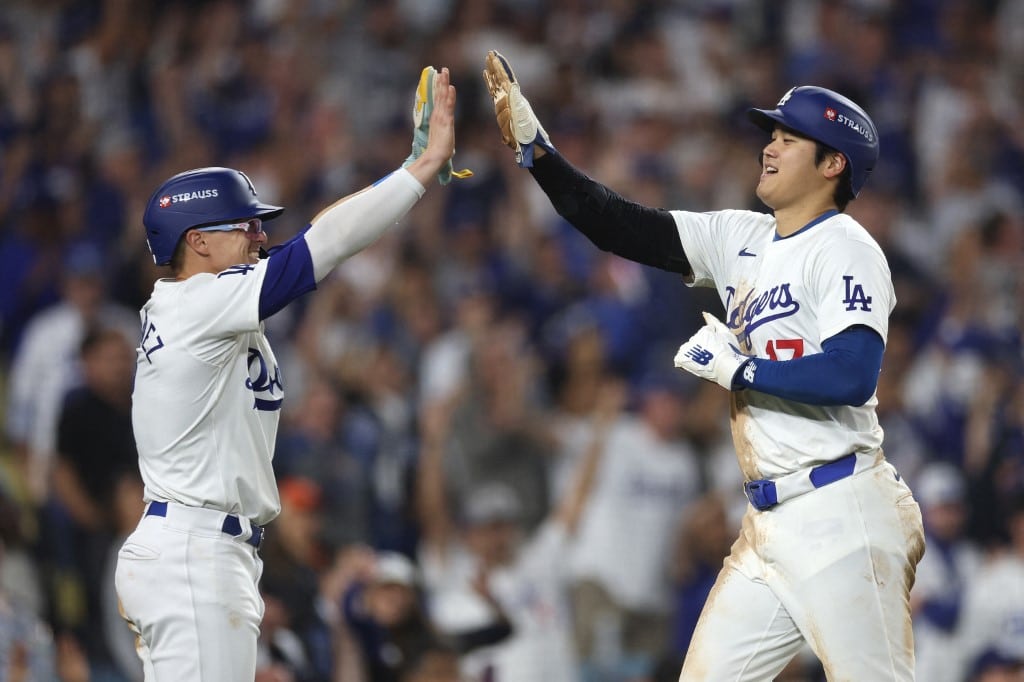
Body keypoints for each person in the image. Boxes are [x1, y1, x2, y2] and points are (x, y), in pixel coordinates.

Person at [483, 50, 925, 680]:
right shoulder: (740, 236)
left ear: (834, 164)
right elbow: (622, 229)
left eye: (791, 139)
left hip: (842, 511)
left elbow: (851, 375)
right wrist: (541, 155)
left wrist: (739, 370)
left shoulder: (846, 247)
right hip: (769, 527)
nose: (769, 148)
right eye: (772, 134)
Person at [114, 65, 465, 682]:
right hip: (194, 550)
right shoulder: (199, 302)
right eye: (245, 225)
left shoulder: (202, 301)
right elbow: (319, 247)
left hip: (203, 548)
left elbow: (318, 238)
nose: (259, 234)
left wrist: (399, 178)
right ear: (196, 241)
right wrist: (419, 170)